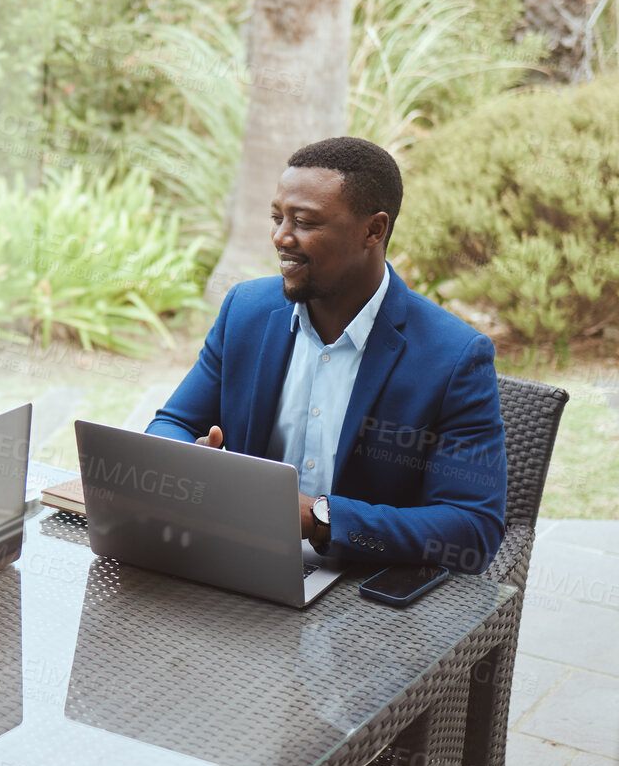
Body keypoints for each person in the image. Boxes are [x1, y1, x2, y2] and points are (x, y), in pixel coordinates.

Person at [148, 134, 507, 574]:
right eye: (277, 217)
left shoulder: (454, 357)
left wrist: (322, 519)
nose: (281, 237)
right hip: (232, 560)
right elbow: (174, 422)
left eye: (305, 222)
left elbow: (473, 529)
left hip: (359, 595)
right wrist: (189, 460)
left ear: (373, 230)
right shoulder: (246, 311)